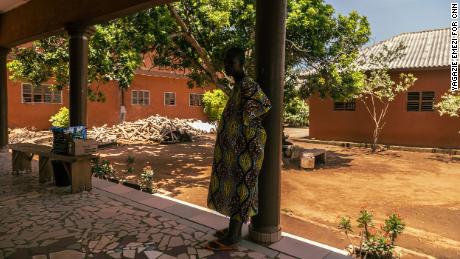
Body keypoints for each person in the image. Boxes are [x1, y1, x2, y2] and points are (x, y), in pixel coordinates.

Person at [206, 47, 271, 251]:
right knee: (234, 188)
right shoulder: (238, 86)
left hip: (245, 151)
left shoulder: (248, 85)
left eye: (231, 63)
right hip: (234, 152)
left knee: (242, 189)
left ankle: (233, 237)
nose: (227, 67)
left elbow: (263, 106)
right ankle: (231, 231)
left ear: (241, 63)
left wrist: (244, 135)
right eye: (226, 63)